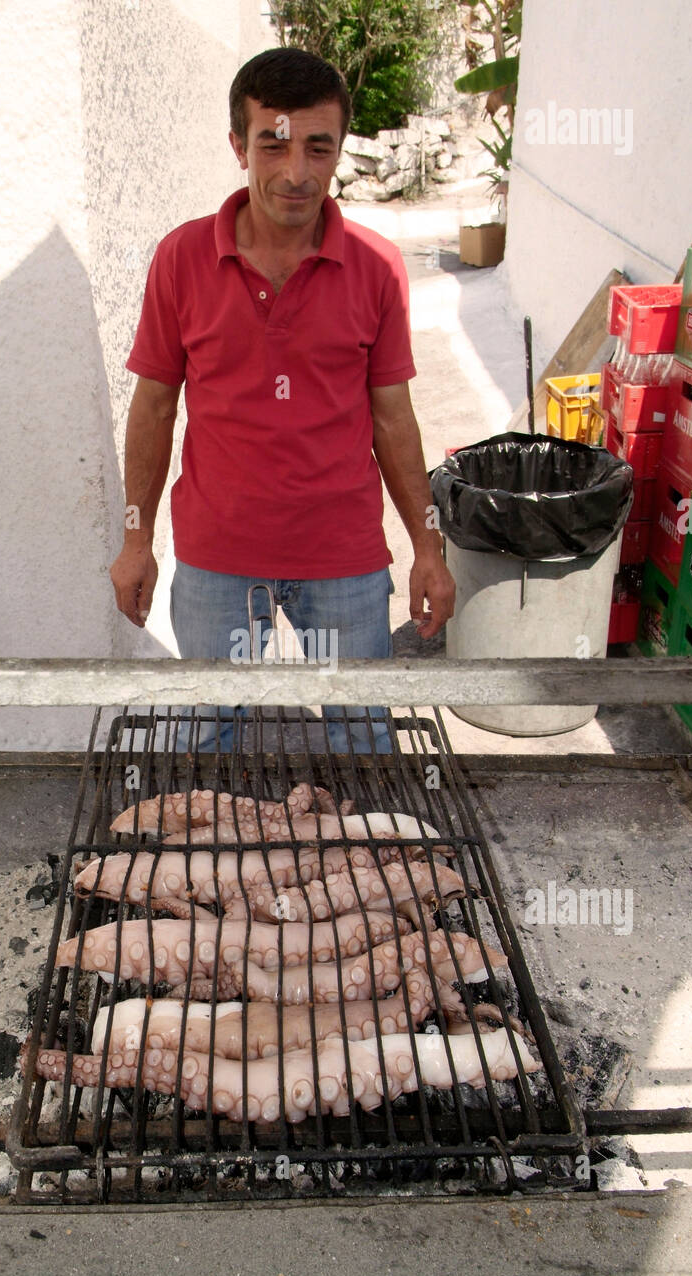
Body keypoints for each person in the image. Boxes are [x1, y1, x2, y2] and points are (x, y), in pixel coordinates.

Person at [110, 47, 455, 752]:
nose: (295, 173)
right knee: (205, 736)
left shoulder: (376, 267)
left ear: (337, 153)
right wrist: (136, 539)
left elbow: (392, 417)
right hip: (216, 553)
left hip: (345, 555)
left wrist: (426, 544)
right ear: (239, 145)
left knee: (362, 737)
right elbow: (152, 406)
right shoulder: (180, 259)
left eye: (317, 148)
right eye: (272, 143)